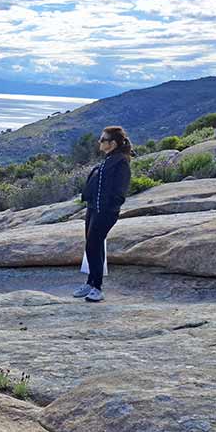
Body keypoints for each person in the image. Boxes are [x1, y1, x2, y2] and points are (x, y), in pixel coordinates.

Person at [74, 126, 132, 302]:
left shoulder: (121, 162)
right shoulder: (109, 159)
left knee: (93, 246)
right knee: (92, 246)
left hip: (105, 212)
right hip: (93, 209)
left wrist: (108, 207)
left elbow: (120, 191)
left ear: (112, 143)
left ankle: (97, 288)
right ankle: (90, 282)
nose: (99, 142)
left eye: (103, 139)